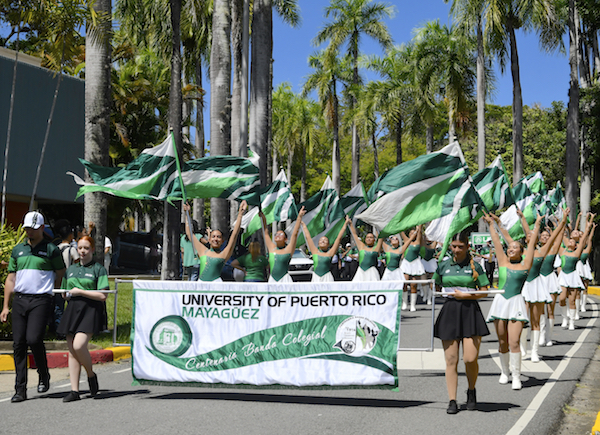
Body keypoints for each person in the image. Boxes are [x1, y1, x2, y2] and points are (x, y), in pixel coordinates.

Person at [1, 211, 66, 403]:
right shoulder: (18, 250)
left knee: (34, 338)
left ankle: (43, 374)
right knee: (18, 343)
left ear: (40, 228)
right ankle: (20, 389)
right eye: (26, 228)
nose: (28, 231)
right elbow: (11, 278)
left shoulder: (51, 250)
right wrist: (6, 306)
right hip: (20, 300)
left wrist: (54, 292)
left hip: (41, 300)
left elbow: (60, 272)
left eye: (32, 228)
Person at [483, 212, 542, 390]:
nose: (511, 248)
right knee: (502, 341)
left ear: (521, 252)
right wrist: (491, 224)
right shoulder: (502, 261)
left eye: (515, 247)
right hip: (501, 302)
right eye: (510, 247)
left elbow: (531, 244)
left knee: (514, 341)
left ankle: (517, 376)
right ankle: (505, 372)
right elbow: (495, 240)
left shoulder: (526, 265)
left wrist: (537, 223)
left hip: (516, 302)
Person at [433, 231, 490, 414]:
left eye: (460, 247)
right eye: (454, 246)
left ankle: (471, 390)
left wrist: (466, 294)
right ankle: (452, 400)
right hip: (450, 312)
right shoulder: (443, 266)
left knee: (470, 358)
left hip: (470, 312)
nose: (456, 250)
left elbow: (484, 291)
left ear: (467, 247)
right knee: (451, 360)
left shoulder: (476, 267)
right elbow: (435, 285)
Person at [57, 236, 109, 402]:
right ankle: (74, 390)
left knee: (79, 346)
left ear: (92, 250)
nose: (83, 251)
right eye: (80, 248)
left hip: (90, 309)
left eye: (86, 248)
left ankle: (91, 374)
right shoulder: (71, 269)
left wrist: (81, 291)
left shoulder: (98, 269)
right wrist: (67, 294)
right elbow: (64, 292)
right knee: (72, 351)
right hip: (73, 309)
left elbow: (102, 295)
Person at [520, 210, 568, 362]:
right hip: (523, 287)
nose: (531, 236)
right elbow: (527, 232)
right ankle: (521, 347)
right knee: (522, 318)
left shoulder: (546, 251)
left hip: (539, 283)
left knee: (542, 314)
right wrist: (523, 218)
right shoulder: (520, 252)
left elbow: (556, 236)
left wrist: (563, 221)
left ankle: (539, 344)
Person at [183, 201, 248, 282]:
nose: (215, 239)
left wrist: (240, 215)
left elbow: (234, 234)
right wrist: (187, 214)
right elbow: (189, 233)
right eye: (213, 236)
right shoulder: (203, 251)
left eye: (218, 237)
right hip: (201, 287)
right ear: (209, 239)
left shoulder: (224, 254)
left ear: (222, 241)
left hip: (216, 287)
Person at [558, 214, 594, 330]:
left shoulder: (576, 253)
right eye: (569, 240)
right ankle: (565, 317)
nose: (570, 241)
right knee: (562, 298)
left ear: (576, 246)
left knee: (572, 300)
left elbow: (584, 240)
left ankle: (572, 321)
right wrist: (562, 221)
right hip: (563, 276)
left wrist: (589, 227)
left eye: (573, 241)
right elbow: (560, 236)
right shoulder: (562, 251)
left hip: (573, 276)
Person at [259, 207, 306, 283]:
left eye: (281, 234)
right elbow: (266, 233)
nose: (278, 235)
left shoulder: (288, 249)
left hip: (285, 279)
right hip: (272, 280)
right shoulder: (272, 248)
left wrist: (299, 217)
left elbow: (294, 234)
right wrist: (263, 219)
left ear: (286, 239)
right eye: (276, 234)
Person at [301, 216, 349, 282]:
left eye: (325, 240)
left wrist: (345, 224)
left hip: (327, 278)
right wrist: (303, 225)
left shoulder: (330, 253)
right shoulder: (315, 251)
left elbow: (338, 238)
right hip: (316, 277)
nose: (323, 241)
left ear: (328, 244)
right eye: (321, 240)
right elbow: (308, 237)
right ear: (318, 244)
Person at [53, 219, 80, 336]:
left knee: (58, 307)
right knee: (70, 307)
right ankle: (69, 329)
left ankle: (58, 329)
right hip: (69, 282)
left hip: (57, 281)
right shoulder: (72, 249)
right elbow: (77, 263)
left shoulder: (56, 248)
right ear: (70, 235)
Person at [401, 226, 425, 311]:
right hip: (406, 263)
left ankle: (412, 305)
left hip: (415, 263)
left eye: (414, 232)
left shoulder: (418, 241)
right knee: (404, 283)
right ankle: (404, 303)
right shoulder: (406, 241)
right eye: (411, 233)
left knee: (413, 285)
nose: (413, 234)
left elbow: (419, 232)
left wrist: (419, 226)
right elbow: (401, 231)